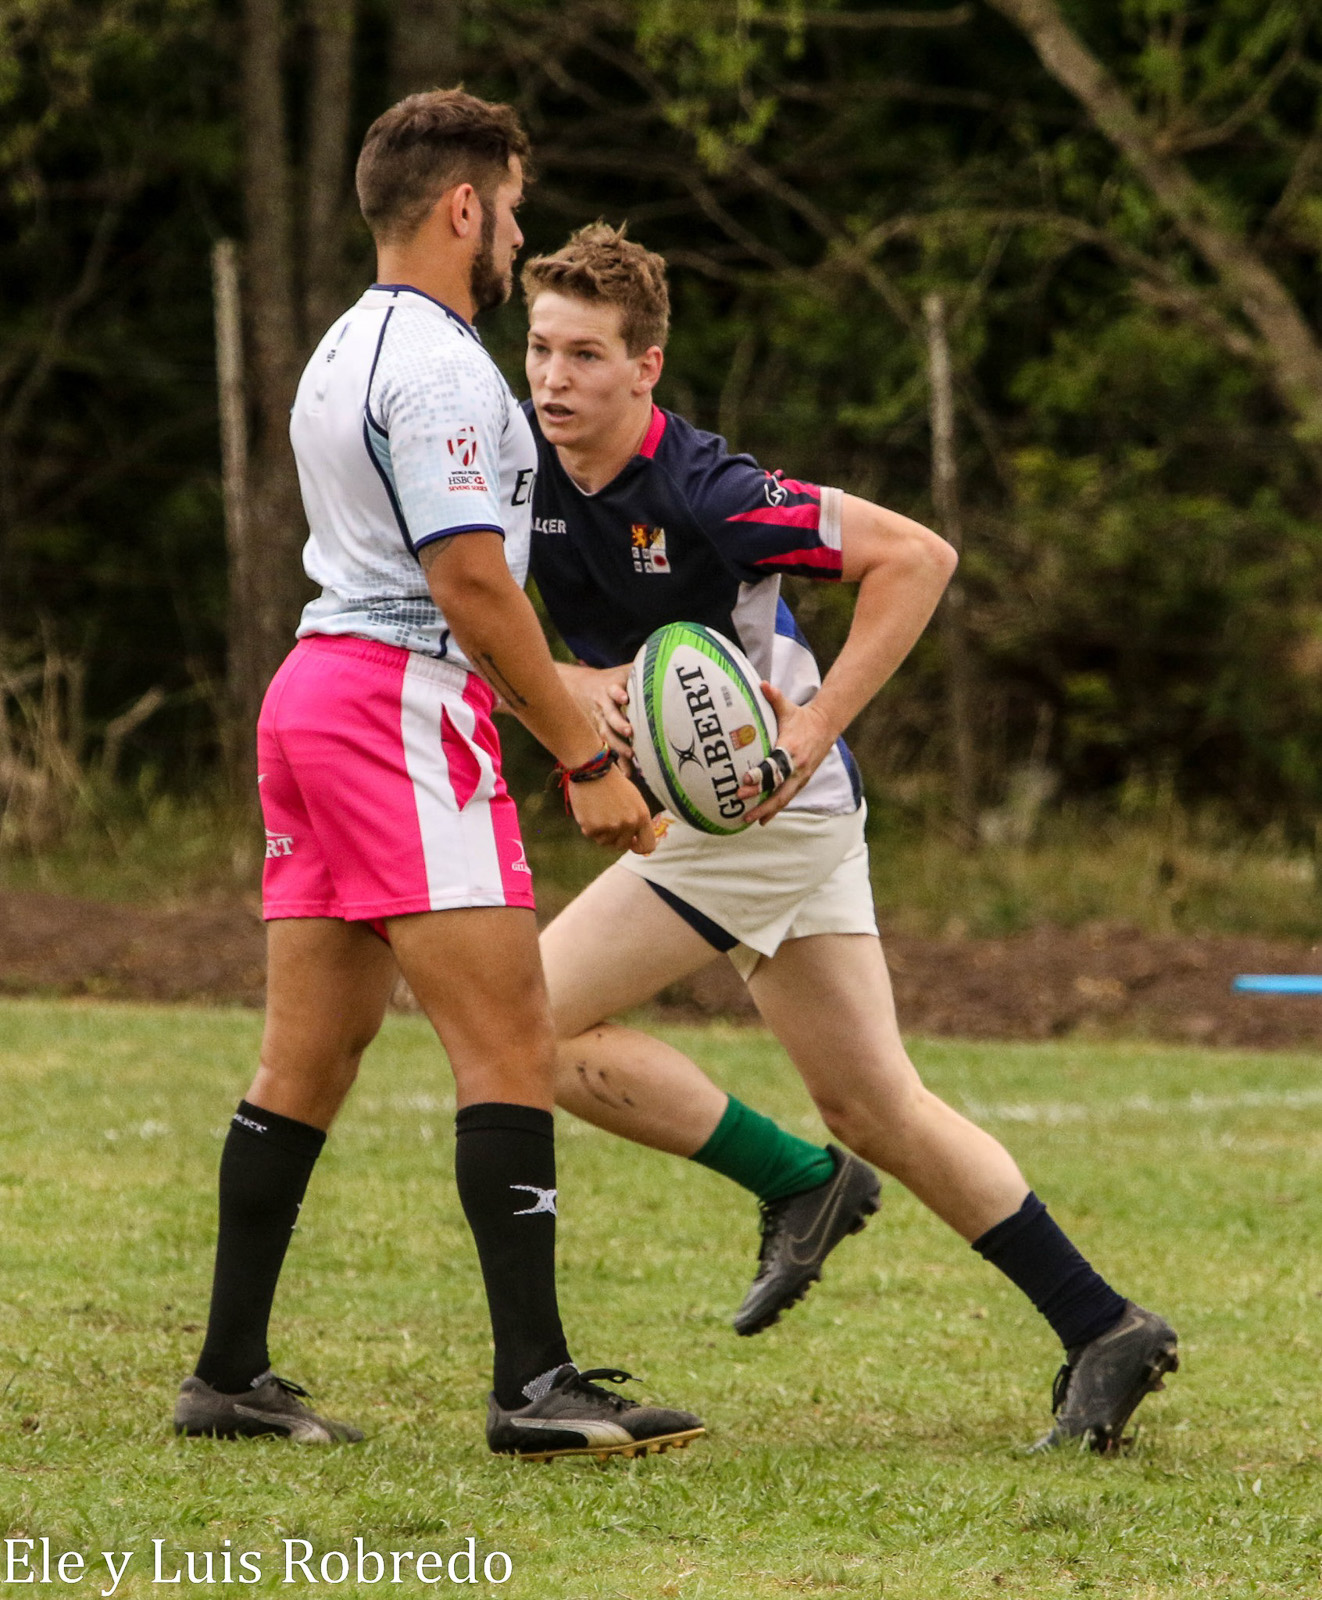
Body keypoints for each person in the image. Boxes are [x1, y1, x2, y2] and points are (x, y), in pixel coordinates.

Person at [520, 222, 1179, 1452]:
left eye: (586, 355)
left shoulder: (708, 491)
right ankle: (1104, 1327)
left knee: (523, 1022)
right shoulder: (520, 469)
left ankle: (795, 1179)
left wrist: (812, 726)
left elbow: (916, 558)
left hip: (762, 814)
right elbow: (479, 622)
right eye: (541, 349)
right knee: (876, 1103)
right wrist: (576, 695)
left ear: (645, 367)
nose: (554, 380)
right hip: (752, 823)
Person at [174, 98, 704, 1463]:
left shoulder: (343, 346)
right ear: (463, 207)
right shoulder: (446, 368)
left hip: (314, 694)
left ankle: (227, 1373)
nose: (516, 233)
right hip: (394, 710)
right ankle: (534, 1384)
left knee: (309, 1054)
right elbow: (466, 583)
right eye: (511, 207)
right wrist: (583, 753)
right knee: (511, 1038)